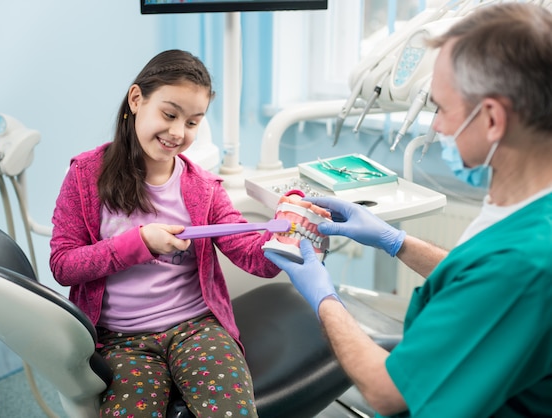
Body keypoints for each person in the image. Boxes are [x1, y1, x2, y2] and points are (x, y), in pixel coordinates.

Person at [264, 3, 552, 417]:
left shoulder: (526, 262)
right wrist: (395, 241)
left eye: (441, 109)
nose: (436, 127)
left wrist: (324, 296)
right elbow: (479, 282)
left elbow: (387, 390)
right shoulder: (525, 207)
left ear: (492, 119)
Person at [49, 49, 280, 418]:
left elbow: (251, 254)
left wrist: (285, 238)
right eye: (169, 114)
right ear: (137, 99)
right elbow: (63, 265)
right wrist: (138, 244)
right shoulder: (85, 176)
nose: (178, 132)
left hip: (196, 328)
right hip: (121, 340)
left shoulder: (203, 188)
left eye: (192, 123)